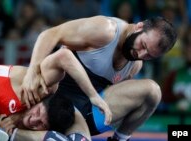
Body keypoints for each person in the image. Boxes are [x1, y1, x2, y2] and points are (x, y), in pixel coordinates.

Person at [22, 16, 177, 141]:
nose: (141, 55)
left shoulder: (136, 64)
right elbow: (50, 34)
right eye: (143, 45)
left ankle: (120, 139)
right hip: (50, 95)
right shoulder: (105, 30)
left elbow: (114, 96)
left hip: (82, 111)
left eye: (149, 55)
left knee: (153, 91)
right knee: (57, 62)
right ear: (139, 26)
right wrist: (32, 72)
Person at [0, 48, 109, 141]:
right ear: (40, 101)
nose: (32, 121)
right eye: (37, 113)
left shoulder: (14, 125)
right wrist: (93, 95)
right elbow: (64, 56)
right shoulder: (39, 88)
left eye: (40, 124)